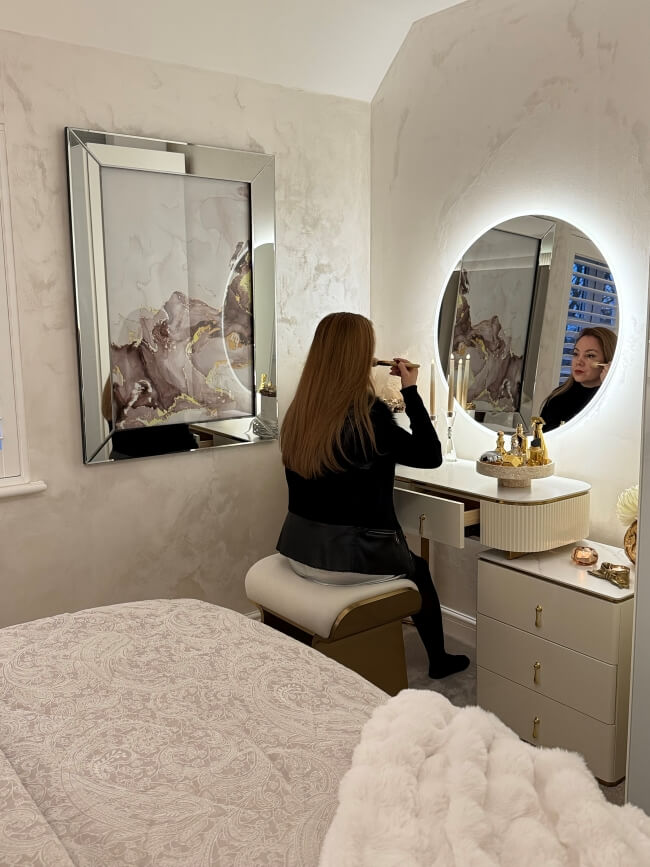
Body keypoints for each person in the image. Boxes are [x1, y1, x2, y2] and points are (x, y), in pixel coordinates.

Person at [277, 312, 469, 679]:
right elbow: (430, 456)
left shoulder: (300, 412)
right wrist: (411, 390)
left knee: (410, 559)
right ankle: (440, 660)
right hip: (349, 560)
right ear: (360, 357)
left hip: (299, 550)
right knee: (420, 570)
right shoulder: (370, 417)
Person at [539, 326, 617, 432]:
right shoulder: (557, 399)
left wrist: (610, 389)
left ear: (608, 362)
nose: (578, 362)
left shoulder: (615, 401)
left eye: (590, 355)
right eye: (576, 354)